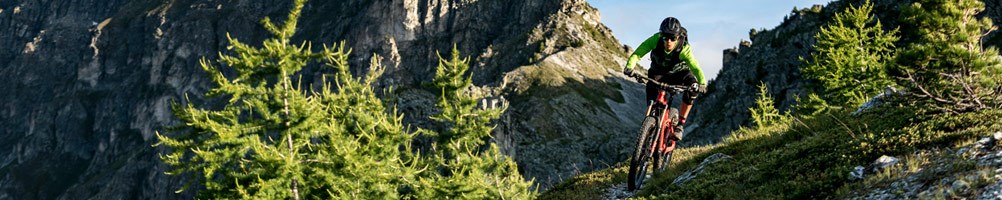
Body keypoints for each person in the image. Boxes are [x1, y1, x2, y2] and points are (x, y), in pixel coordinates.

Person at [623, 17, 707, 141]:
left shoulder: (684, 49)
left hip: (680, 73)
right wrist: (629, 67)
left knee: (692, 89)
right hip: (659, 72)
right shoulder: (655, 40)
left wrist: (702, 83)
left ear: (678, 37)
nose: (668, 41)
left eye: (672, 38)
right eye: (665, 37)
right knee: (652, 93)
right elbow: (638, 53)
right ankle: (648, 125)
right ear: (661, 35)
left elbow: (696, 68)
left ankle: (680, 125)